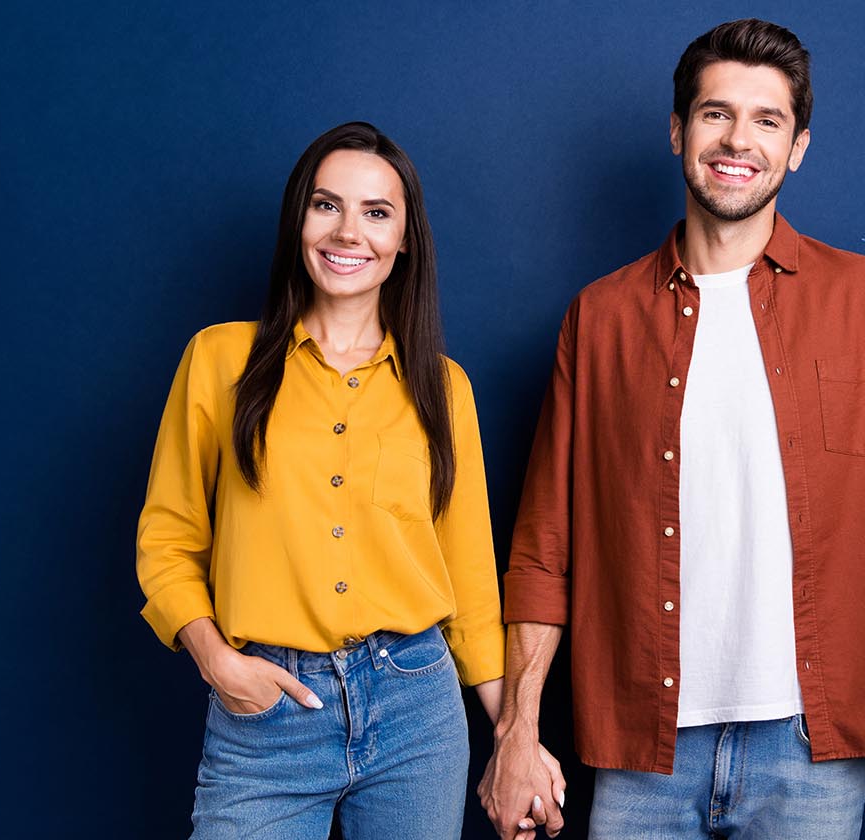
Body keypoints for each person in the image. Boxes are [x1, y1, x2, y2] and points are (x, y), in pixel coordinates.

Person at [482, 19, 865, 840]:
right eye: (715, 114)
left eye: (767, 120)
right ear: (679, 132)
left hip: (810, 745)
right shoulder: (600, 319)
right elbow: (544, 547)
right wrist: (517, 733)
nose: (737, 140)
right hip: (644, 744)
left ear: (798, 147)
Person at [136, 121, 558, 839]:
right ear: (299, 219)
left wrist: (516, 737)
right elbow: (168, 539)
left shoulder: (442, 388)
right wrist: (216, 660)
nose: (348, 231)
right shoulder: (218, 361)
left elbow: (468, 583)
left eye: (376, 212)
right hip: (267, 710)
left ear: (403, 242)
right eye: (326, 205)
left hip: (415, 711)